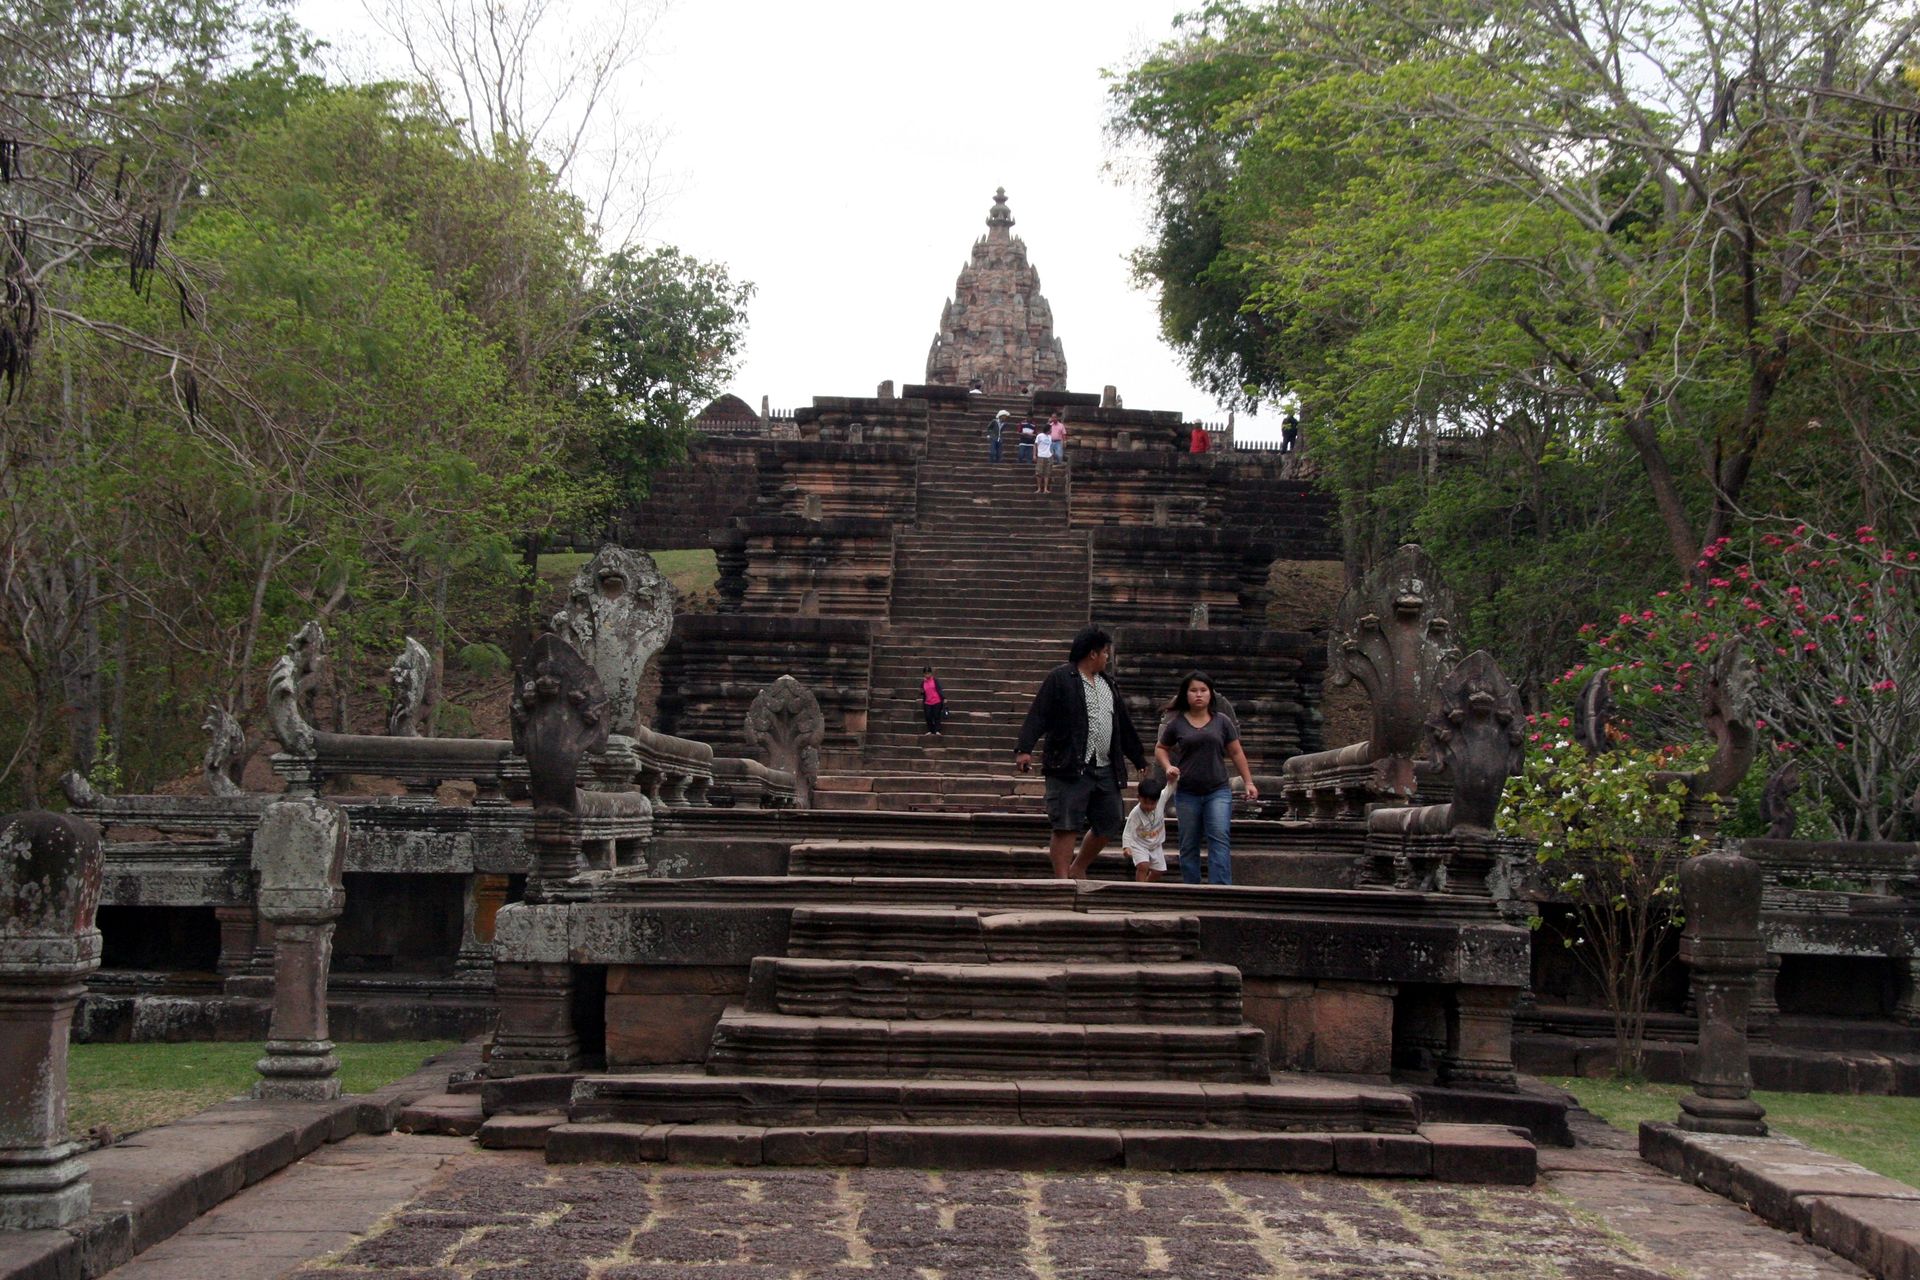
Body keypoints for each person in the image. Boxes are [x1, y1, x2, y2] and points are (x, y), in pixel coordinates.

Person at [1015, 625, 1147, 879]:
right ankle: (1062, 880)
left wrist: (1138, 756)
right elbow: (1039, 713)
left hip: (1104, 765)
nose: (1107, 657)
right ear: (1092, 654)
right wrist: (1024, 748)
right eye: (1105, 652)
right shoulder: (1061, 678)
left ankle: (1079, 867)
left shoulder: (1108, 683)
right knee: (1065, 824)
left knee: (1111, 819)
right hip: (1068, 764)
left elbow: (1122, 724)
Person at [1155, 671, 1257, 885]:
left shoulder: (1222, 722)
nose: (1199, 695)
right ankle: (1192, 887)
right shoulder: (1177, 723)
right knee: (1188, 842)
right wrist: (1168, 766)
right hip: (1187, 791)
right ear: (1186, 695)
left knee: (1219, 837)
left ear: (1211, 694)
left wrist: (1248, 782)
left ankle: (1220, 888)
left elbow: (1236, 752)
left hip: (1217, 790)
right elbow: (1161, 748)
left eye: (1203, 690)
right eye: (1193, 690)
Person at [1121, 768, 1178, 883]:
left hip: (1156, 844)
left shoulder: (1161, 799)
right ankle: (1140, 888)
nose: (1149, 807)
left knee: (1158, 871)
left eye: (1152, 804)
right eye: (1145, 803)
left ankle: (1146, 884)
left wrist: (1174, 778)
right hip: (1139, 844)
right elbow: (1128, 831)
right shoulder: (1135, 814)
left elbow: (1170, 788)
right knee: (1143, 866)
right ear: (1139, 798)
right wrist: (1126, 847)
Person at [921, 665, 946, 736]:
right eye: (926, 673)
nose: (927, 675)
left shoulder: (935, 680)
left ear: (931, 673)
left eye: (928, 673)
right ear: (924, 674)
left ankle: (937, 730)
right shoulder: (923, 682)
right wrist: (922, 691)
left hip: (936, 700)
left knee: (936, 715)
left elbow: (939, 689)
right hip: (927, 702)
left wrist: (943, 698)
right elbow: (922, 691)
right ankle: (930, 730)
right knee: (928, 716)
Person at [1033, 426, 1055, 493]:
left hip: (1048, 456)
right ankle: (1039, 488)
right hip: (1041, 456)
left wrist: (1052, 453)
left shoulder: (1050, 437)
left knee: (1047, 473)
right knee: (1039, 473)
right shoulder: (1040, 436)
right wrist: (1034, 455)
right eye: (1050, 429)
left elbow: (1050, 446)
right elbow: (1035, 445)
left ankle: (1045, 488)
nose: (1051, 430)